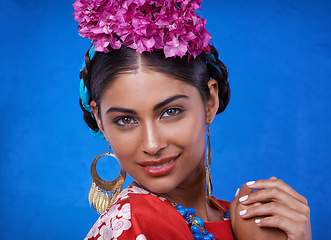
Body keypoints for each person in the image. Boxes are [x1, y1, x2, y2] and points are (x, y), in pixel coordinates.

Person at [73, 0, 312, 239]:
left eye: (170, 112)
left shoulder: (241, 219)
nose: (152, 145)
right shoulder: (136, 221)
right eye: (126, 120)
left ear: (210, 101)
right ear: (100, 120)